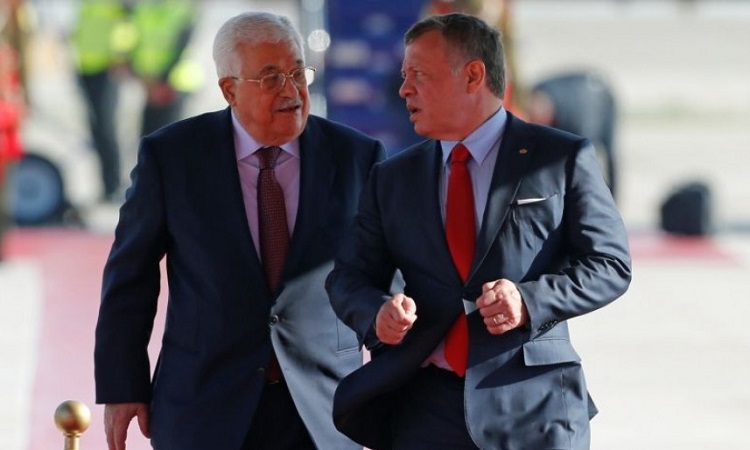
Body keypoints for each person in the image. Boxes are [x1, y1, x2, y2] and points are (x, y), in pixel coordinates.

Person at [326, 12, 632, 450]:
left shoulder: (559, 158)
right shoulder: (392, 178)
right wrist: (377, 314)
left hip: (533, 407)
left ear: (472, 76)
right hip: (424, 410)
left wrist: (529, 301)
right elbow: (348, 277)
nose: (404, 89)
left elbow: (610, 264)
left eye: (418, 75)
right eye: (404, 76)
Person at [94, 11, 385, 450]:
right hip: (204, 403)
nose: (291, 91)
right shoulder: (172, 157)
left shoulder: (358, 157)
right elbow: (129, 277)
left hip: (324, 410)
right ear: (229, 90)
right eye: (270, 78)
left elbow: (384, 278)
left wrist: (393, 382)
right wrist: (123, 386)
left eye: (297, 73)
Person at [70, 0, 131, 202]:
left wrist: (120, 56)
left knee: (106, 129)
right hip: (86, 68)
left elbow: (126, 25)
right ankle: (106, 186)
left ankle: (114, 185)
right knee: (96, 129)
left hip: (107, 69)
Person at [127, 0, 202, 137]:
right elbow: (135, 43)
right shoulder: (144, 9)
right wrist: (143, 77)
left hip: (175, 83)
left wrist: (161, 82)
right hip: (151, 83)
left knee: (169, 138)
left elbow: (182, 48)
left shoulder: (183, 10)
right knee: (148, 137)